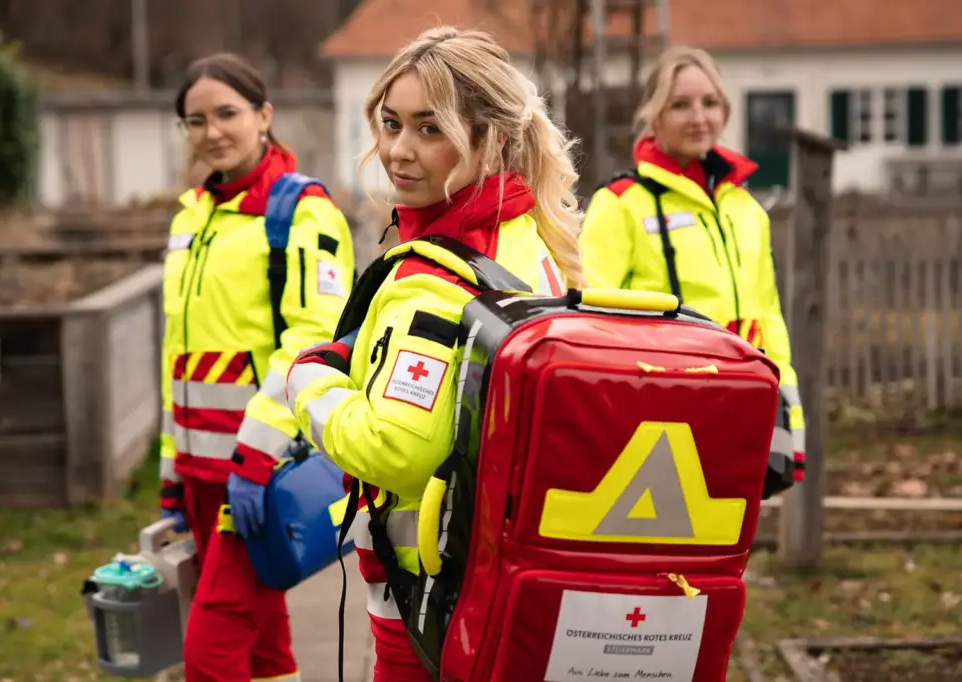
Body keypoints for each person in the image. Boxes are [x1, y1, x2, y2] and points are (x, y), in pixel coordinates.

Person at [280, 26, 584, 682]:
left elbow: (394, 448)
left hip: (425, 596)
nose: (396, 150)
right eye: (390, 124)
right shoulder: (529, 239)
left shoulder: (439, 281)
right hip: (506, 577)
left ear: (493, 140)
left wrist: (308, 383)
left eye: (429, 129)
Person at [158, 52, 355, 682]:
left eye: (226, 113)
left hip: (259, 471)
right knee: (264, 646)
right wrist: (170, 471)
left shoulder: (304, 211)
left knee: (208, 654)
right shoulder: (191, 215)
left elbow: (312, 340)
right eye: (195, 120)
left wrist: (257, 455)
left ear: (263, 115)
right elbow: (178, 358)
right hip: (200, 471)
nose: (211, 131)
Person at [578, 46, 804, 495]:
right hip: (659, 408)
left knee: (730, 545)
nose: (698, 116)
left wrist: (790, 417)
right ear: (653, 115)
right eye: (680, 104)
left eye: (710, 103)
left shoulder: (746, 209)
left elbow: (768, 318)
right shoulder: (620, 203)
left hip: (746, 400)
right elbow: (589, 321)